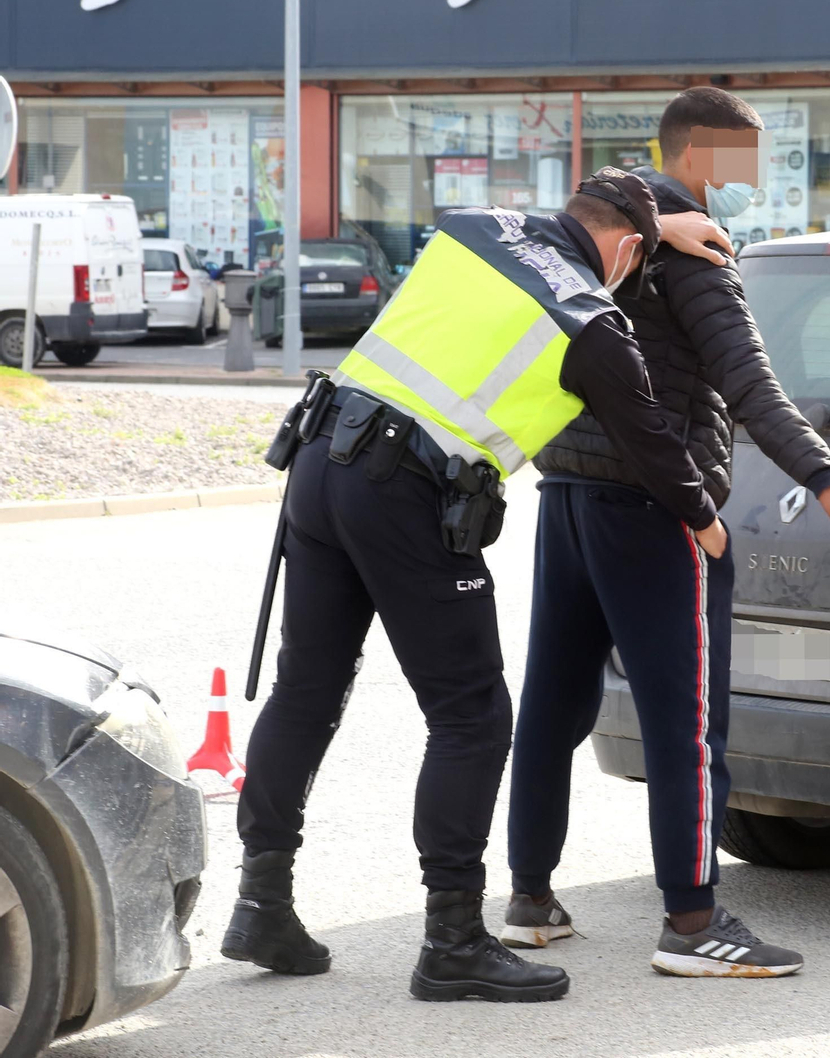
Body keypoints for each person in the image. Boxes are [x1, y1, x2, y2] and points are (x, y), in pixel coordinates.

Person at [222, 169, 734, 1003]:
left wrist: (656, 224)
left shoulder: (474, 227)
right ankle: (452, 940)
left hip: (320, 458)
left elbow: (558, 229)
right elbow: (650, 439)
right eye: (639, 258)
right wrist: (705, 521)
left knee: (306, 690)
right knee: (472, 716)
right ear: (628, 249)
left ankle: (261, 905)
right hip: (404, 491)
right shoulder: (592, 322)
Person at [504, 87, 830, 977]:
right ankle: (692, 924)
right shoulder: (699, 253)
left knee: (553, 706)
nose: (751, 182)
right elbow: (750, 384)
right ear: (698, 156)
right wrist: (828, 480)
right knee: (686, 723)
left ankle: (530, 900)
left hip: (568, 495)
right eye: (744, 163)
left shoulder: (599, 230)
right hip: (657, 509)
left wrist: (655, 219)